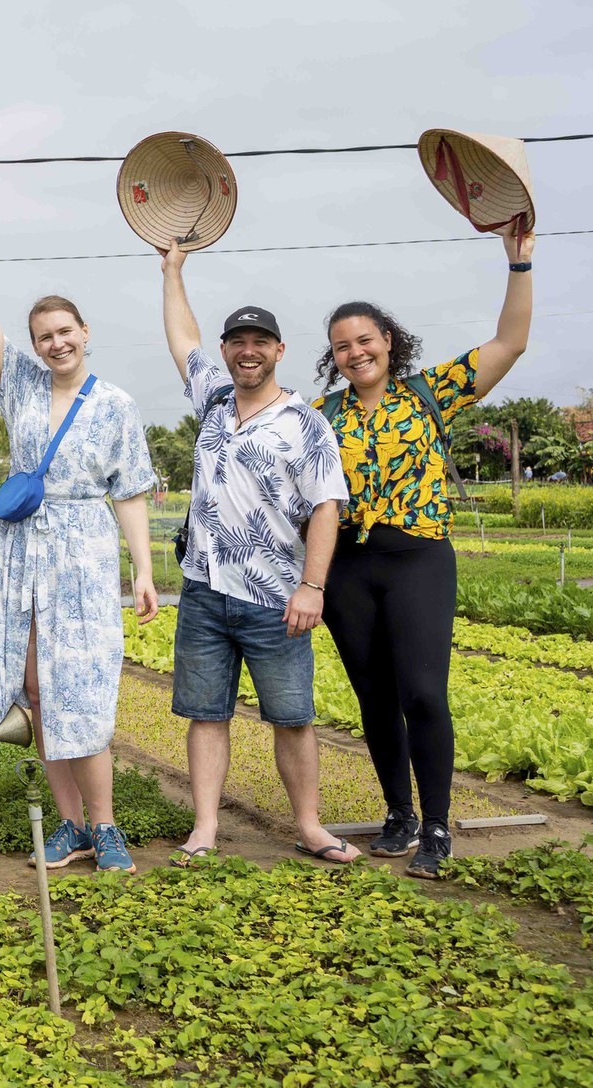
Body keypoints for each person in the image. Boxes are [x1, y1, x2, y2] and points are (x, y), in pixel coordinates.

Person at [0, 214, 160, 873]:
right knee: (37, 687)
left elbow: (131, 492)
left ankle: (107, 825)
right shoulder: (23, 387)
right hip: (23, 553)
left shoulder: (116, 405)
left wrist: (143, 570)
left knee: (85, 686)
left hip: (86, 553)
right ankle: (71, 825)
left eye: (66, 332)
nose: (57, 343)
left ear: (85, 333)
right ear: (35, 345)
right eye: (45, 337)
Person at [313, 231, 535, 879]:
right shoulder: (322, 415)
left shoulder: (431, 392)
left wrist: (518, 262)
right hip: (349, 569)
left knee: (423, 694)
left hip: (420, 561)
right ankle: (398, 814)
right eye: (341, 346)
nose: (355, 352)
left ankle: (437, 826)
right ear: (334, 358)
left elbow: (510, 342)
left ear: (388, 341)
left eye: (364, 340)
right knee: (374, 699)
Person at [159, 242, 356, 866]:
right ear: (226, 352)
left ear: (278, 351)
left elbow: (327, 507)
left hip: (276, 596)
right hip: (203, 590)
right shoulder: (214, 400)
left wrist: (313, 587)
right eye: (237, 341)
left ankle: (310, 826)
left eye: (259, 341)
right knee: (205, 714)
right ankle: (206, 828)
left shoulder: (306, 423)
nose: (248, 350)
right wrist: (172, 271)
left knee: (292, 717)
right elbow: (181, 336)